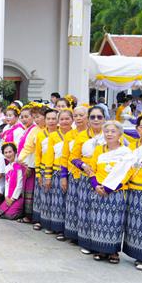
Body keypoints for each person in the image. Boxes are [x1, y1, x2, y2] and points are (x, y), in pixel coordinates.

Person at [84, 121, 132, 264]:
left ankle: (113, 252)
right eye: (107, 131)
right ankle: (100, 249)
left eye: (113, 131)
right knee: (98, 220)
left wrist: (110, 188)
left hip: (116, 192)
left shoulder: (126, 152)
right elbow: (91, 169)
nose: (109, 134)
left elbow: (127, 173)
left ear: (120, 134)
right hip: (98, 190)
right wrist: (95, 185)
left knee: (115, 222)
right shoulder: (99, 150)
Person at [69, 106, 105, 254]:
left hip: (104, 179)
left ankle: (102, 245)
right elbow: (73, 157)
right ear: (88, 120)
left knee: (101, 211)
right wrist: (83, 165)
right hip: (86, 177)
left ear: (104, 119)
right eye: (93, 117)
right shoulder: (82, 135)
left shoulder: (110, 134)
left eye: (99, 117)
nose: (96, 120)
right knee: (84, 209)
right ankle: (86, 242)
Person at [116, 114, 142, 269]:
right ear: (137, 129)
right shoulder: (131, 147)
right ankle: (137, 254)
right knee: (134, 225)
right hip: (132, 190)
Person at [42, 109, 73, 238]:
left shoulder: (76, 134)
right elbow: (49, 157)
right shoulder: (53, 136)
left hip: (72, 172)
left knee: (71, 203)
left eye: (67, 119)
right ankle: (58, 228)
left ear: (72, 120)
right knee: (58, 201)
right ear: (58, 121)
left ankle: (70, 230)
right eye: (62, 119)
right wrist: (48, 176)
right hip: (57, 172)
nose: (65, 121)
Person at [60, 105, 88, 242]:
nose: (78, 118)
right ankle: (72, 234)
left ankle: (84, 236)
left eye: (81, 115)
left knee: (84, 206)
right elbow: (65, 157)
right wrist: (63, 177)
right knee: (72, 205)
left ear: (87, 117)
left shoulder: (92, 133)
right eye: (76, 116)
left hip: (89, 175)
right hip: (73, 174)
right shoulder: (70, 135)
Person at [0, 143, 25, 220]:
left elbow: (20, 184)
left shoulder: (19, 165)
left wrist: (12, 199)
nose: (8, 154)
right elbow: (7, 183)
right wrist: (6, 197)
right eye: (6, 152)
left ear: (15, 152)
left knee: (9, 215)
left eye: (10, 152)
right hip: (9, 196)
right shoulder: (7, 167)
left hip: (18, 196)